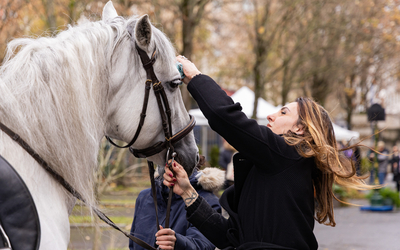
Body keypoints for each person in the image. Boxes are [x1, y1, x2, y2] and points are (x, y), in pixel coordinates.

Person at [161, 55, 375, 250]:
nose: (271, 116)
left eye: (283, 112)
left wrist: (196, 77)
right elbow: (230, 237)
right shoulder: (274, 167)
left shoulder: (290, 154)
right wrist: (188, 192)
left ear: (299, 128)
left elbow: (227, 118)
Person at [129, 166, 224, 250]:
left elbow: (204, 245)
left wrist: (177, 243)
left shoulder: (207, 201)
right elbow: (133, 244)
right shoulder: (144, 197)